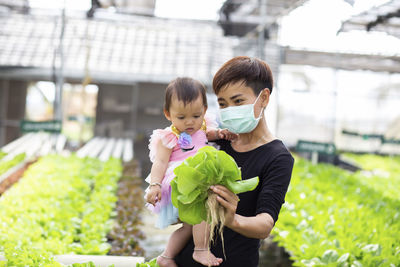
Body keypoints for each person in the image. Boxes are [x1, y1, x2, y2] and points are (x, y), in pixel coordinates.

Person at [175, 56, 294, 267]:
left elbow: (265, 223)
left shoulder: (278, 157)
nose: (229, 110)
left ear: (264, 98)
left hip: (232, 261)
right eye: (223, 103)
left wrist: (232, 219)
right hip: (185, 260)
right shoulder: (217, 139)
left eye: (238, 101)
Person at [145, 77, 237, 267]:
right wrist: (154, 185)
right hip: (180, 179)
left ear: (204, 110)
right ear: (168, 114)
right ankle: (201, 249)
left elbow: (208, 134)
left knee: (189, 225)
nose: (189, 122)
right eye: (181, 117)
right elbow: (160, 162)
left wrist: (220, 134)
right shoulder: (170, 136)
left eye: (196, 116)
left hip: (196, 177)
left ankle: (166, 257)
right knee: (204, 209)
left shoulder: (203, 126)